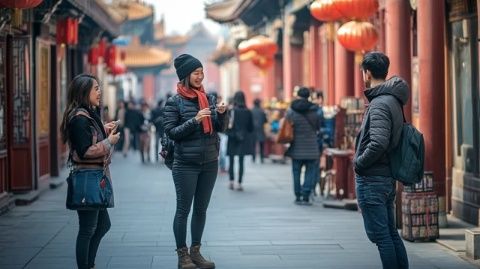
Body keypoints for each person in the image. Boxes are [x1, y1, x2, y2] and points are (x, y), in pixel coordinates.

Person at [163, 54, 227, 269]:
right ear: (185, 76)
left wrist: (223, 114)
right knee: (183, 210)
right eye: (196, 73)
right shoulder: (174, 102)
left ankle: (196, 252)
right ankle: (182, 256)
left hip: (209, 162)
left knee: (201, 210)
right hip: (185, 164)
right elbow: (172, 133)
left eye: (202, 72)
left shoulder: (208, 98)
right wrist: (195, 120)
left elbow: (220, 128)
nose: (200, 77)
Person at [354, 51, 409, 269]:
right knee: (390, 234)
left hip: (373, 178)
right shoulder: (393, 100)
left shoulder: (379, 104)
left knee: (382, 237)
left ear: (366, 73)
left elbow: (378, 142)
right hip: (385, 176)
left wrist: (359, 163)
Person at [60, 74, 120, 269]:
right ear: (83, 92)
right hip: (88, 178)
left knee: (103, 225)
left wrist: (102, 128)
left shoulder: (88, 115)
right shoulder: (79, 118)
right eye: (95, 88)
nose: (99, 92)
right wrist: (108, 142)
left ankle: (89, 264)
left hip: (96, 177)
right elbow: (85, 151)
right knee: (87, 229)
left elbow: (86, 137)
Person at [285, 87, 321, 205]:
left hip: (296, 147)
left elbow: (286, 128)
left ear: (297, 95)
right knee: (310, 171)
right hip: (312, 147)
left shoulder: (291, 111)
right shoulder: (315, 110)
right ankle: (306, 195)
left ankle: (298, 195)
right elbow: (319, 127)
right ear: (308, 96)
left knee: (296, 171)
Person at [226, 91, 254, 191]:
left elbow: (227, 125)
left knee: (231, 160)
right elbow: (251, 128)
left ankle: (231, 181)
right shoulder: (248, 111)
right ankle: (239, 183)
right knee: (241, 161)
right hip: (243, 138)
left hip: (232, 137)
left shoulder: (231, 111)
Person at [251, 98, 268, 164]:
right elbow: (265, 120)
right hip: (261, 129)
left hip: (253, 130)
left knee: (253, 145)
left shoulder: (251, 111)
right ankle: (262, 158)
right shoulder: (262, 111)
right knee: (261, 145)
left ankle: (253, 158)